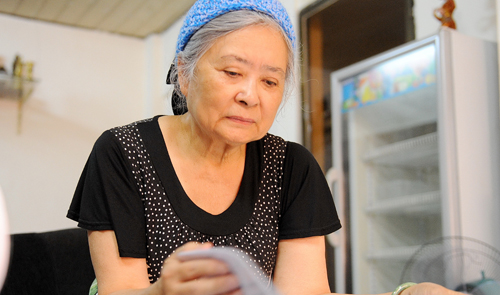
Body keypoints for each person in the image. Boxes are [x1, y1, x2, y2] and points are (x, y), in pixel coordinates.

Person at [67, 1, 462, 295]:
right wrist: (161, 292)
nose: (250, 96)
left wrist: (406, 293)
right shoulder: (123, 153)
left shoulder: (291, 168)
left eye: (270, 82)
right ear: (184, 75)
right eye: (232, 72)